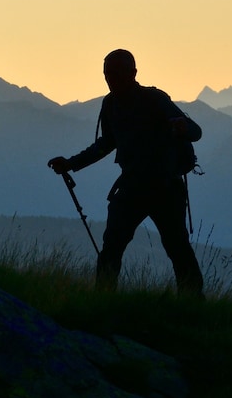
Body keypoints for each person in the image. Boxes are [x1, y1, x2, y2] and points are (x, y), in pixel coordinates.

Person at [48, 48, 205, 297]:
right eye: (108, 74)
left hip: (160, 188)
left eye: (116, 74)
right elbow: (107, 143)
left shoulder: (154, 100)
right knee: (119, 247)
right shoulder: (110, 104)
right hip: (141, 186)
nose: (111, 79)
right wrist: (70, 164)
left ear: (133, 73)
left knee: (172, 248)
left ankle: (191, 305)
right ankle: (108, 301)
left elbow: (195, 132)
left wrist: (183, 127)